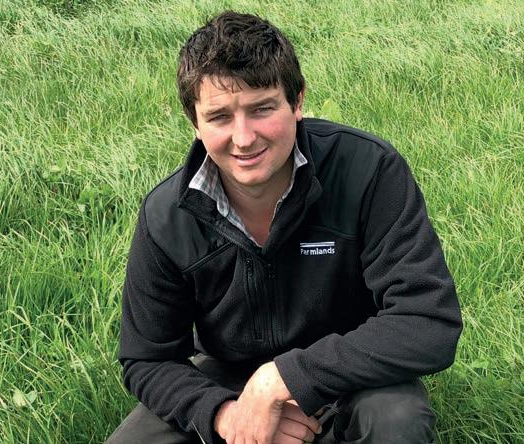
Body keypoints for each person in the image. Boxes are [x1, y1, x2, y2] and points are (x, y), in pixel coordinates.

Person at [109, 11, 462, 444]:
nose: (243, 138)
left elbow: (428, 321)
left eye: (261, 109)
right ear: (195, 123)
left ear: (297, 103)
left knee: (395, 418)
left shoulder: (369, 171)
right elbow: (147, 359)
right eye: (219, 117)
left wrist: (282, 379)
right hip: (229, 380)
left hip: (352, 371)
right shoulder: (167, 215)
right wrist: (225, 414)